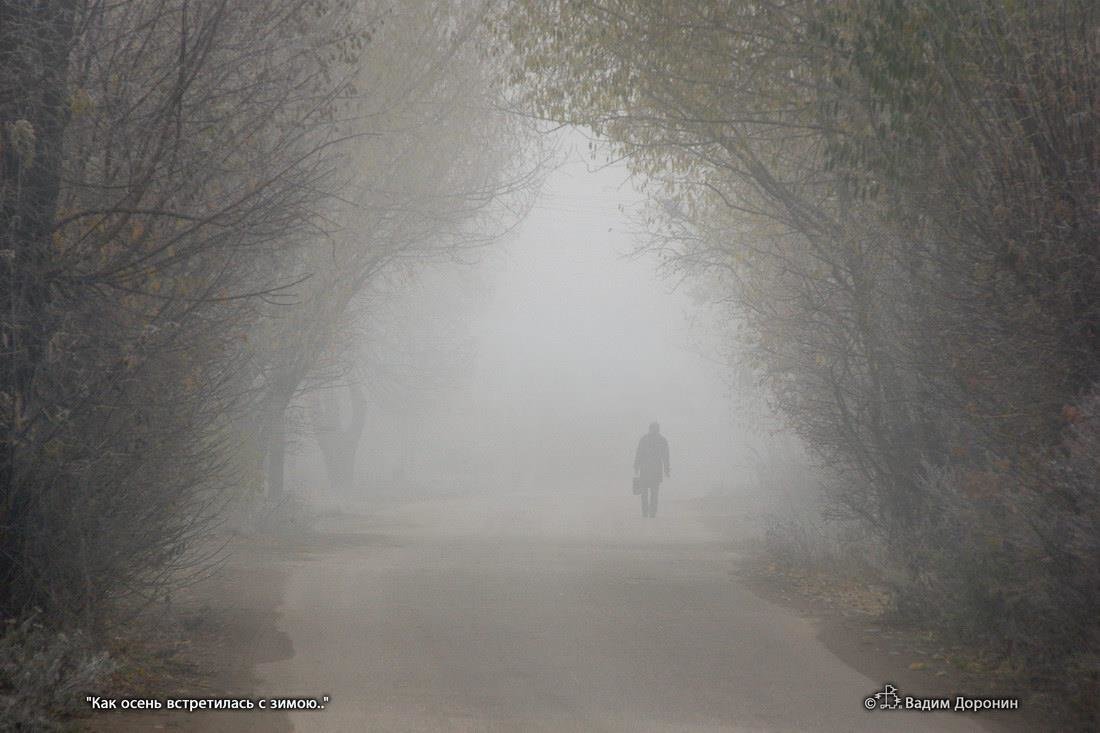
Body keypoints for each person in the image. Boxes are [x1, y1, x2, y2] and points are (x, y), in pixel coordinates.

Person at [634, 422, 670, 518]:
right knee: (653, 493)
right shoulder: (662, 440)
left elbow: (639, 453)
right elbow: (665, 456)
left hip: (645, 471)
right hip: (655, 471)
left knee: (645, 494)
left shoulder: (644, 439)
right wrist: (667, 469)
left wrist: (636, 466)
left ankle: (646, 512)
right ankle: (652, 513)